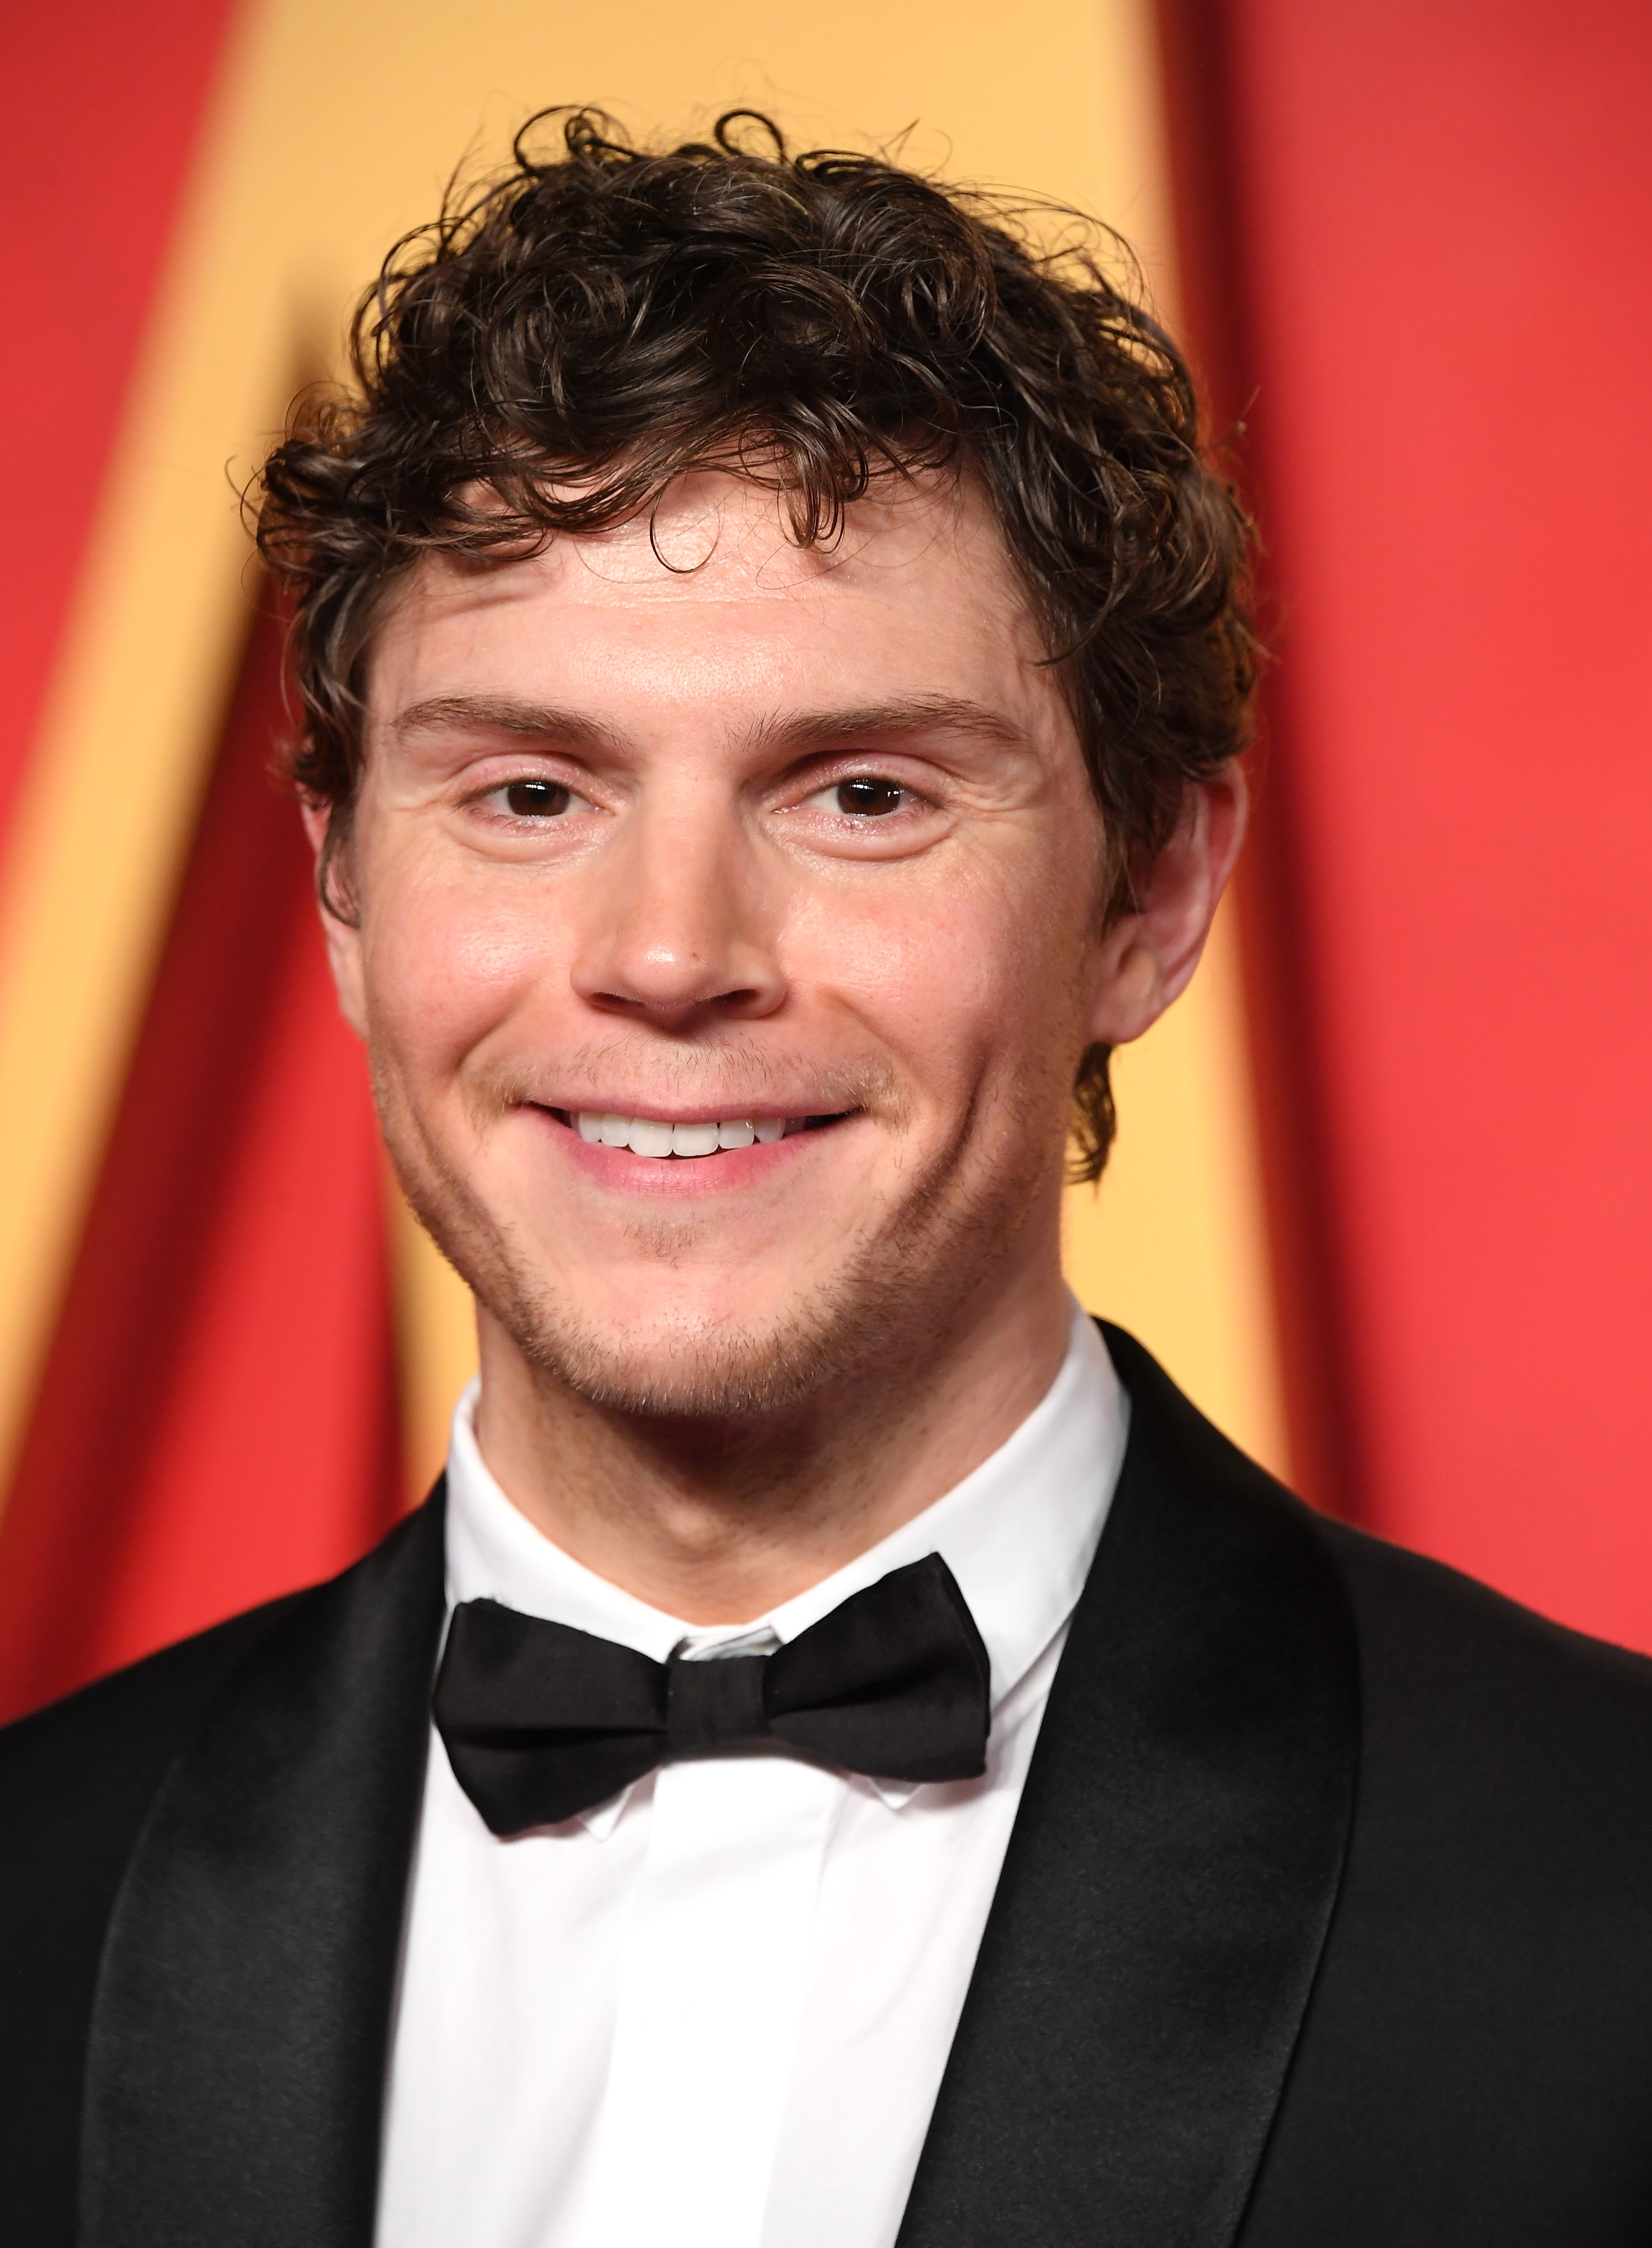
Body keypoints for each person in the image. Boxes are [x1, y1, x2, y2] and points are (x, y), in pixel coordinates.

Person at [4, 107, 1652, 2248]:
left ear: (1148, 897)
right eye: (525, 791)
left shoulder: (1600, 1904)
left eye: (860, 791)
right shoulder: (26, 1897)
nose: (672, 954)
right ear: (339, 887)